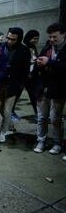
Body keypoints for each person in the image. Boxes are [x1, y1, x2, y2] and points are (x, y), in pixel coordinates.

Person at [32, 23, 65, 156]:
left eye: (54, 37)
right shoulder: (48, 46)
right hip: (43, 88)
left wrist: (49, 62)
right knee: (41, 117)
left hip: (58, 89)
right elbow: (41, 61)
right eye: (50, 37)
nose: (51, 39)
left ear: (63, 34)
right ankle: (41, 140)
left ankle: (57, 143)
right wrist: (38, 62)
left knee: (55, 118)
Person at [0, 27, 30, 142]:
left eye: (13, 39)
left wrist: (21, 84)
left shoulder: (24, 50)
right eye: (8, 38)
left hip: (13, 84)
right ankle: (9, 124)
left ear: (19, 39)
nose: (10, 41)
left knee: (7, 110)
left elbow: (26, 70)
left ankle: (3, 131)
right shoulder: (1, 47)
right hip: (0, 83)